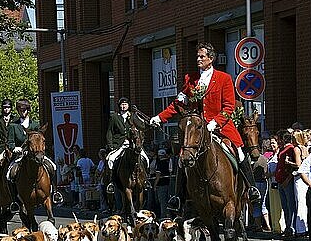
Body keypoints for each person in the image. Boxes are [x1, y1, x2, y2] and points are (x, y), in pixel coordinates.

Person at [150, 42, 260, 210]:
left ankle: (252, 189)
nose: (199, 59)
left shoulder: (224, 78)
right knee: (182, 158)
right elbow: (178, 103)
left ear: (211, 59)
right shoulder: (191, 79)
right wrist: (159, 117)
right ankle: (177, 197)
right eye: (198, 56)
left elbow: (229, 106)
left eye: (202, 56)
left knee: (238, 152)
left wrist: (215, 123)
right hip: (196, 130)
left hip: (221, 127)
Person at [6, 98, 63, 206]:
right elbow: (10, 142)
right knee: (10, 173)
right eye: (20, 110)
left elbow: (39, 138)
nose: (22, 112)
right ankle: (14, 200)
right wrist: (14, 148)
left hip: (37, 153)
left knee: (52, 167)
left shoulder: (35, 125)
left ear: (28, 110)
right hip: (21, 154)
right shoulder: (13, 126)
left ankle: (55, 192)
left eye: (24, 109)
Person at [105, 97, 149, 194]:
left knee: (146, 158)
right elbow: (110, 132)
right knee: (110, 159)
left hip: (133, 144)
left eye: (125, 104)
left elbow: (141, 126)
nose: (124, 106)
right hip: (119, 145)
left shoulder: (132, 116)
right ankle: (111, 182)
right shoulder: (114, 117)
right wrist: (111, 145)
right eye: (122, 104)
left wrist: (150, 123)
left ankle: (146, 180)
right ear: (119, 106)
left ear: (128, 105)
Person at [275, 131, 297, 237]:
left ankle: (291, 227)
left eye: (279, 138)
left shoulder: (290, 149)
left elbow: (294, 167)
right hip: (280, 181)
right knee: (285, 206)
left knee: (290, 205)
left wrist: (288, 179)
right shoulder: (282, 149)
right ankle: (288, 227)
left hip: (286, 181)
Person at [154, 148, 172, 218]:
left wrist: (155, 185)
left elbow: (158, 176)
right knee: (168, 201)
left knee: (162, 202)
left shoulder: (159, 163)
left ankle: (163, 216)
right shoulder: (169, 162)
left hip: (161, 185)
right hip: (169, 183)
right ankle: (169, 215)